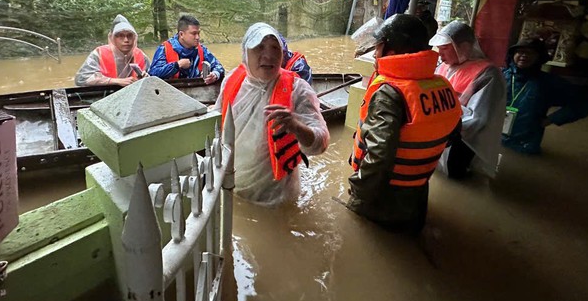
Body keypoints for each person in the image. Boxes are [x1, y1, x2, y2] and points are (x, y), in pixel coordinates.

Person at [347, 14, 461, 232]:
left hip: (385, 197)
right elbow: (453, 133)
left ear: (390, 52)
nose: (374, 55)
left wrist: (358, 194)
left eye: (377, 48)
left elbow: (379, 156)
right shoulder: (440, 84)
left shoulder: (389, 92)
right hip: (418, 192)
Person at [215, 23, 329, 207]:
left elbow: (321, 143)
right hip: (232, 189)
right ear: (245, 53)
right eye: (259, 47)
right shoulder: (231, 81)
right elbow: (214, 120)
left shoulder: (297, 89)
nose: (268, 55)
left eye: (275, 48)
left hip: (277, 200)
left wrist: (296, 126)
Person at [431, 20, 506, 179]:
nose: (439, 54)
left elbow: (478, 117)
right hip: (438, 131)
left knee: (454, 174)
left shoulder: (487, 73)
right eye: (439, 49)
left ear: (463, 47)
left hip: (463, 137)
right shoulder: (444, 65)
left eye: (444, 48)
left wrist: (448, 129)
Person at [502, 37, 588, 154]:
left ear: (539, 58)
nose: (523, 55)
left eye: (530, 53)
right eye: (520, 52)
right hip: (493, 138)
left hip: (525, 144)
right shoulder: (500, 75)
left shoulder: (549, 82)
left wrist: (551, 119)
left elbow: (582, 104)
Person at [74, 14, 149, 87]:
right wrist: (115, 81)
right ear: (113, 39)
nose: (126, 40)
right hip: (105, 95)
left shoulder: (141, 55)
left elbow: (153, 79)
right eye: (121, 36)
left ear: (134, 38)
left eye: (129, 35)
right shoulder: (99, 53)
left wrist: (146, 78)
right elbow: (81, 79)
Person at [148, 15, 224, 84]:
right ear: (181, 34)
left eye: (198, 33)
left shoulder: (202, 50)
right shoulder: (164, 49)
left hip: (197, 92)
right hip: (172, 93)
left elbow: (219, 67)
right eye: (194, 34)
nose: (197, 37)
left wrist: (214, 74)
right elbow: (153, 74)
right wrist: (177, 65)